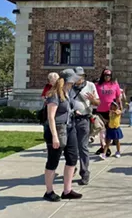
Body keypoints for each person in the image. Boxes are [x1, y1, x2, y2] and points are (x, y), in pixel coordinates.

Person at [43, 69, 82, 202]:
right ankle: (49, 191)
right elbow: (51, 117)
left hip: (70, 128)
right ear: (66, 80)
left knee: (72, 158)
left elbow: (69, 108)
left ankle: (67, 190)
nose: (74, 83)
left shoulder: (68, 92)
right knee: (53, 161)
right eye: (72, 80)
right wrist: (54, 136)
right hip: (57, 130)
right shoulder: (54, 94)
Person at [71, 67, 100, 186]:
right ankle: (71, 168)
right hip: (71, 119)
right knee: (71, 147)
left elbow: (98, 103)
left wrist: (93, 100)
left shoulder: (90, 85)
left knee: (83, 147)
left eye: (80, 76)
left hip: (84, 119)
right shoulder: (69, 86)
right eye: (76, 76)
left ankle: (84, 172)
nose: (78, 78)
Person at [95, 69, 122, 156]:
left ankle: (112, 147)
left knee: (111, 130)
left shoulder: (115, 85)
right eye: (106, 75)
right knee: (102, 130)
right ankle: (105, 147)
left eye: (109, 75)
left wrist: (120, 107)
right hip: (100, 110)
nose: (107, 77)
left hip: (112, 111)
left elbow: (118, 97)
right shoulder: (98, 85)